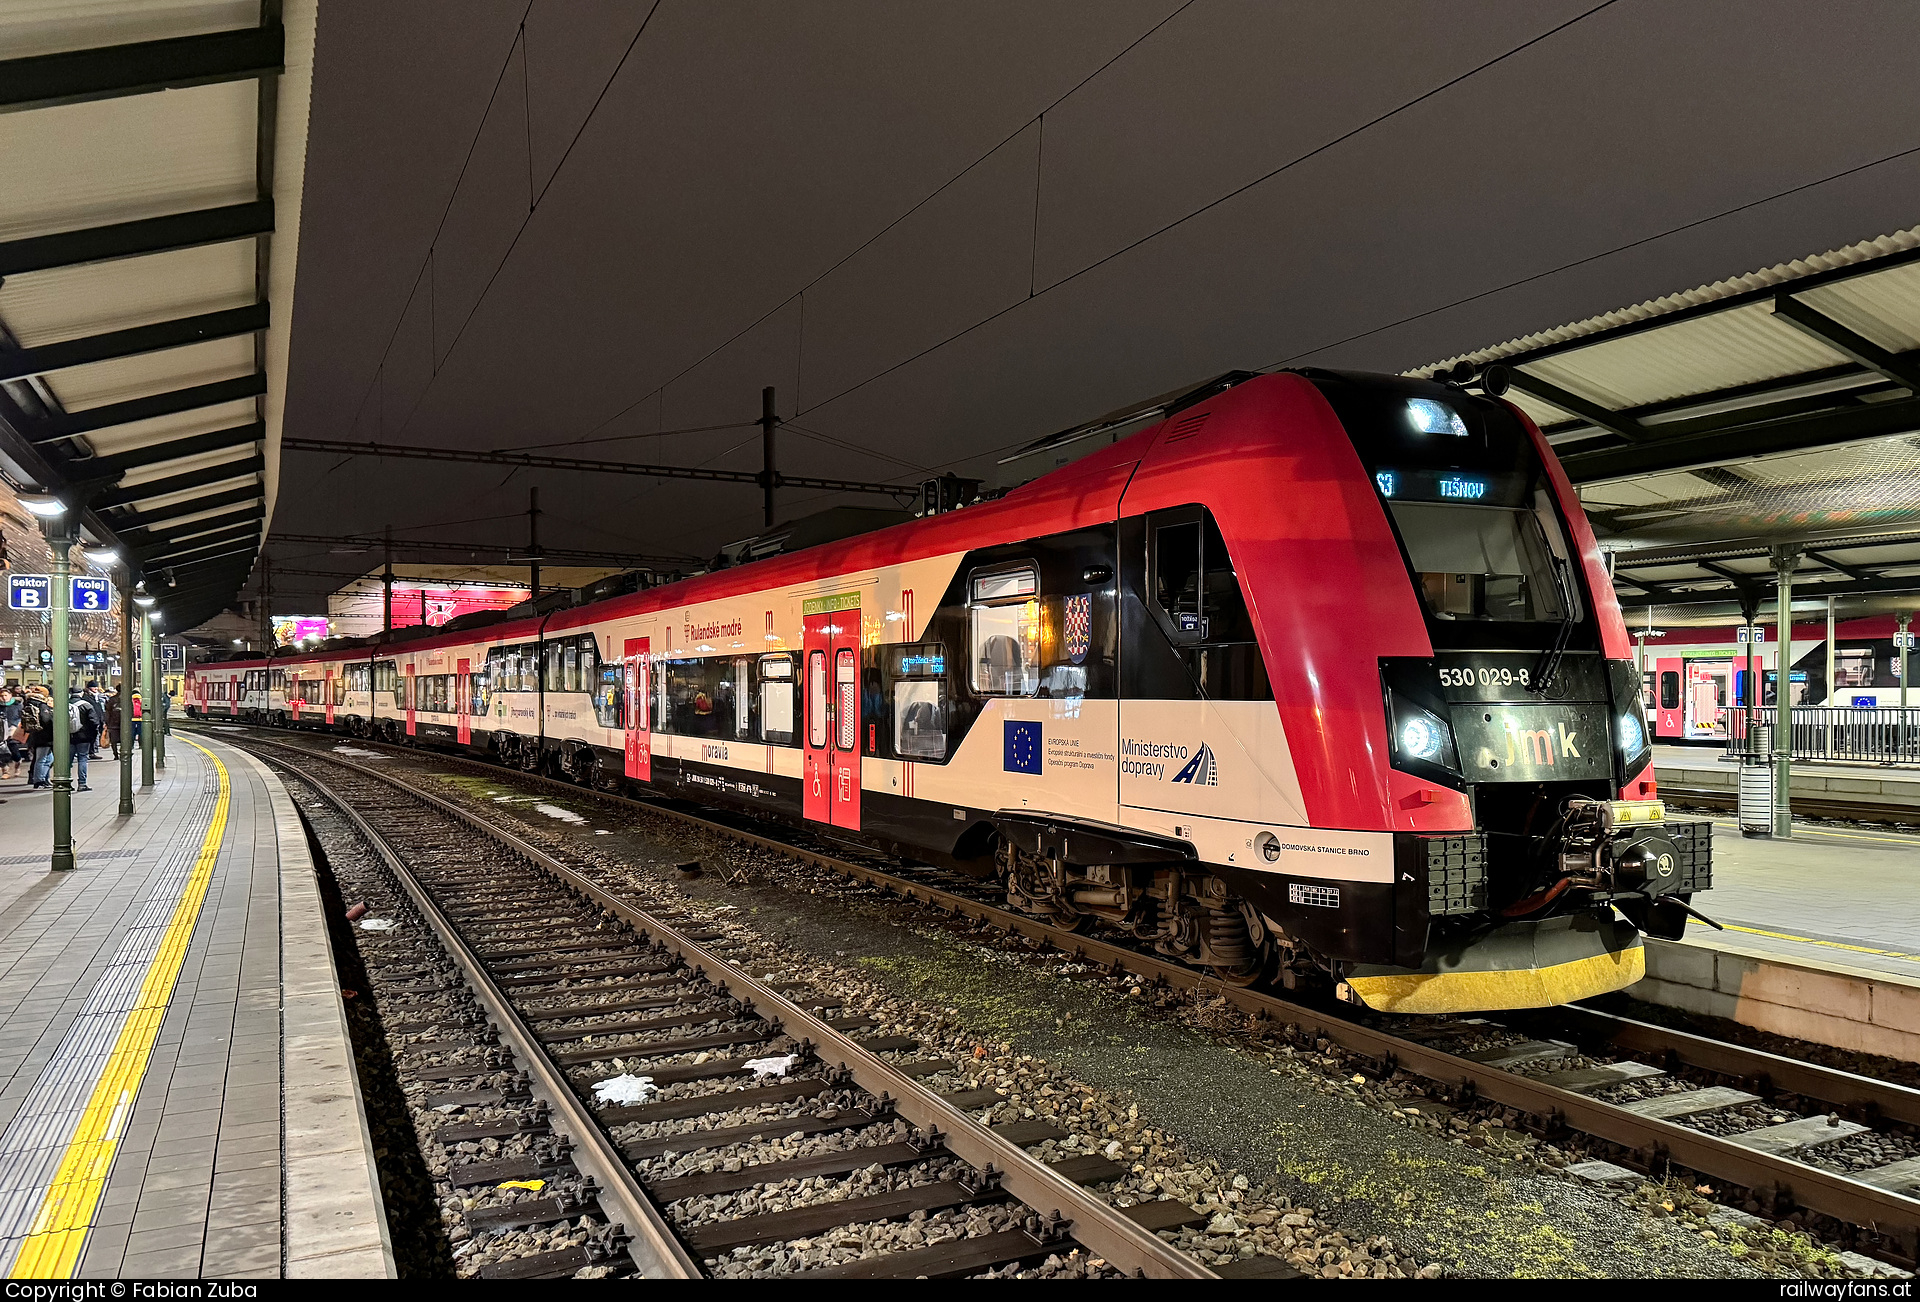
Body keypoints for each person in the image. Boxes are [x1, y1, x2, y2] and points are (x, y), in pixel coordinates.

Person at [25, 686, 55, 789]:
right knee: (42, 759)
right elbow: (46, 719)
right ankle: (39, 781)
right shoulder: (42, 705)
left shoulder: (29, 702)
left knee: (48, 759)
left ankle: (44, 779)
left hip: (36, 735)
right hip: (44, 736)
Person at [68, 685, 98, 791]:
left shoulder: (64, 704)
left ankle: (66, 782)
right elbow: (94, 722)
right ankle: (82, 784)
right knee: (82, 759)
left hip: (68, 737)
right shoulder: (86, 705)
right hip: (84, 737)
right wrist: (92, 736)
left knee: (68, 760)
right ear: (81, 693)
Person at [0, 687, 19, 780]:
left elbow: (20, 717)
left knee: (15, 752)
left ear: (10, 695)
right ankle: (5, 770)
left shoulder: (17, 705)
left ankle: (17, 765)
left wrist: (15, 726)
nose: (4, 697)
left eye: (5, 695)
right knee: (3, 753)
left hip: (13, 731)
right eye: (2, 696)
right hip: (1, 732)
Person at [83, 681, 105, 758]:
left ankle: (91, 752)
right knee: (90, 737)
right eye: (94, 687)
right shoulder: (87, 697)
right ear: (89, 688)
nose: (96, 688)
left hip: (96, 719)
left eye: (96, 687)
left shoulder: (96, 697)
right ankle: (89, 752)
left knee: (93, 736)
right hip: (91, 720)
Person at [104, 687, 122, 760]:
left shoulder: (112, 699)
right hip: (123, 723)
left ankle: (116, 754)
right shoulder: (127, 699)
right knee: (124, 739)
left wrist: (107, 722)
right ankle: (123, 752)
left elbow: (107, 711)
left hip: (112, 723)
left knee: (113, 741)